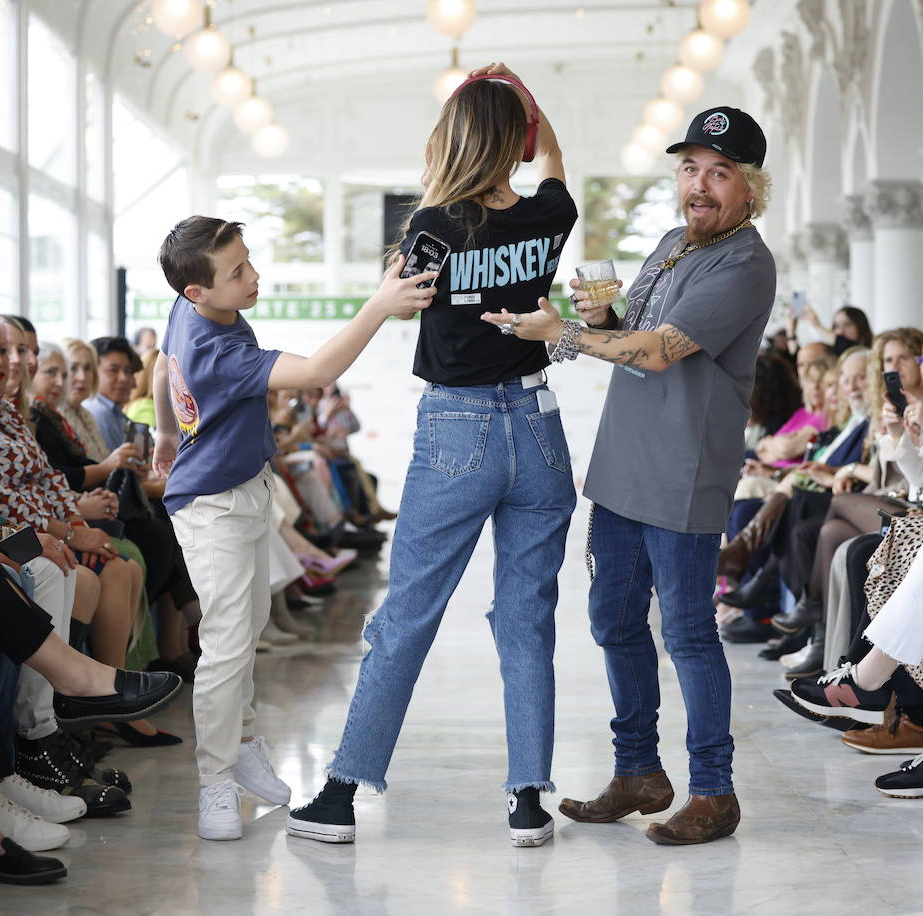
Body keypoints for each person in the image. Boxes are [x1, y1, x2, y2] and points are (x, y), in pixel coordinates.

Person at [286, 61, 576, 849]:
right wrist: (529, 107)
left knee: (407, 616)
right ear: (514, 141)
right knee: (528, 620)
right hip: (541, 431)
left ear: (452, 141)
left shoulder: (433, 229)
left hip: (458, 431)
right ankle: (526, 802)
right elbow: (551, 158)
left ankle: (342, 793)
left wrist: (468, 128)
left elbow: (402, 294)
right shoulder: (551, 214)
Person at [484, 105, 775, 844]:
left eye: (720, 173)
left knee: (687, 634)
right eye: (690, 169)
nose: (700, 185)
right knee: (613, 621)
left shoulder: (745, 261)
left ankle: (714, 789)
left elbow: (657, 352)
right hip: (621, 469)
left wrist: (571, 335)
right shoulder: (673, 242)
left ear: (750, 191)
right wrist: (601, 314)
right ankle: (638, 771)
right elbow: (630, 332)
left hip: (683, 473)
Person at [152, 200, 431, 842]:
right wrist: (380, 307)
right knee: (224, 646)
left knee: (245, 629)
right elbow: (317, 372)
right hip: (212, 507)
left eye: (249, 263)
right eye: (237, 272)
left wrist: (165, 432)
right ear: (199, 289)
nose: (253, 278)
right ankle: (215, 781)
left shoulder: (187, 307)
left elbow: (162, 362)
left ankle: (242, 742)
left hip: (249, 486)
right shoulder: (218, 347)